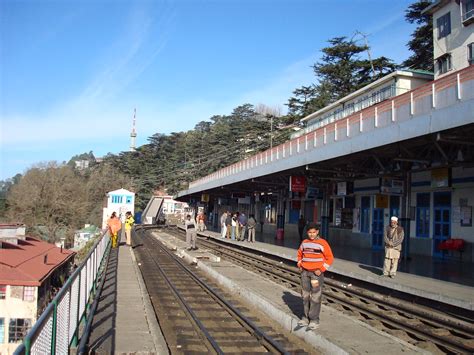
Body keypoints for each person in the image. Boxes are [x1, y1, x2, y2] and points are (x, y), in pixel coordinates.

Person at [297, 223, 334, 330]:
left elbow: (330, 258)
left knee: (315, 296)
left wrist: (321, 269)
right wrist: (299, 264)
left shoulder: (323, 243)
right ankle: (305, 317)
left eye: (314, 232)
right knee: (305, 295)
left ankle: (314, 319)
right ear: (307, 232)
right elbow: (300, 254)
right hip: (305, 273)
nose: (311, 234)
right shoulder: (304, 243)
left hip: (316, 275)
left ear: (317, 232)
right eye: (309, 232)